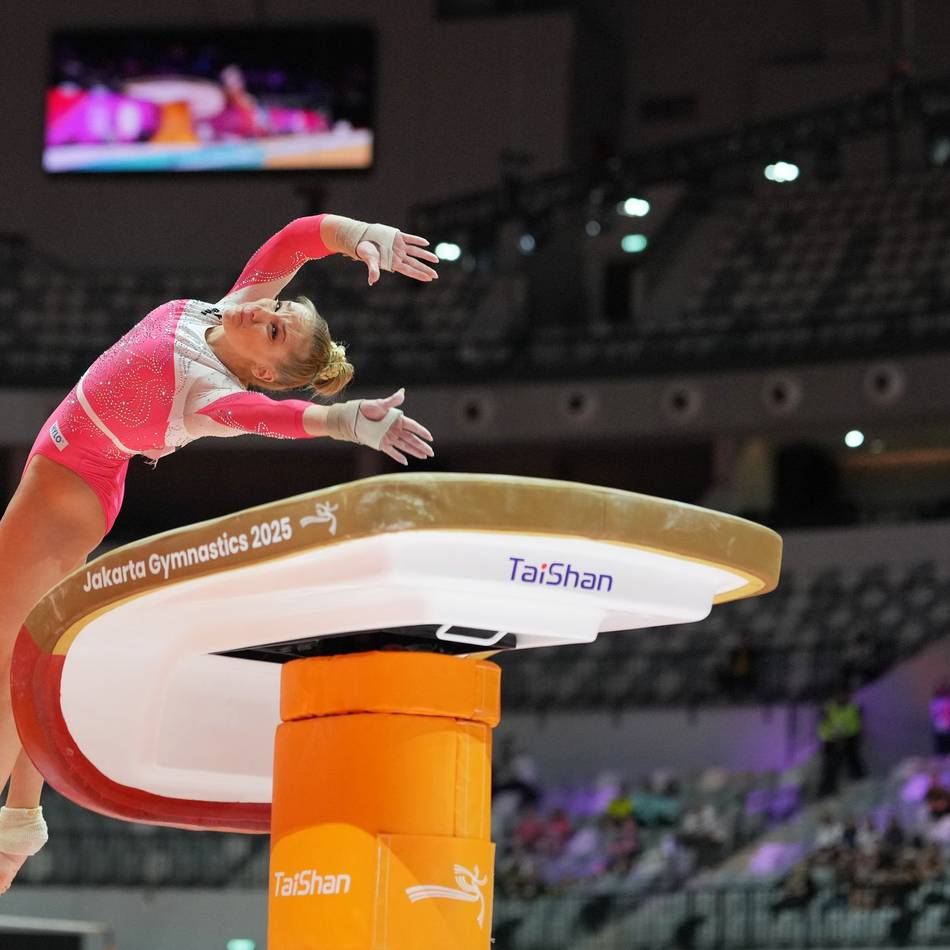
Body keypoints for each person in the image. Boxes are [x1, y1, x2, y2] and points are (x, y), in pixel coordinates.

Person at [0, 212, 441, 894]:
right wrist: (357, 236)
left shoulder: (213, 397)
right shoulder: (229, 309)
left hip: (67, 492)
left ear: (263, 369)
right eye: (281, 308)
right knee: (26, 661)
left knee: (8, 669)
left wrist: (344, 420)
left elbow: (279, 420)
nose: (267, 310)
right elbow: (296, 239)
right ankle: (20, 817)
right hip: (75, 475)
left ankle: (16, 823)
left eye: (274, 328)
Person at [817, 687, 867, 797]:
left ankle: (859, 782)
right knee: (830, 765)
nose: (843, 697)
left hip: (848, 738)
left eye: (845, 695)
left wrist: (846, 732)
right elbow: (823, 726)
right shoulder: (828, 708)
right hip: (831, 740)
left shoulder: (853, 707)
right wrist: (832, 734)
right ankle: (827, 790)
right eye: (840, 695)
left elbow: (856, 724)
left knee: (852, 760)